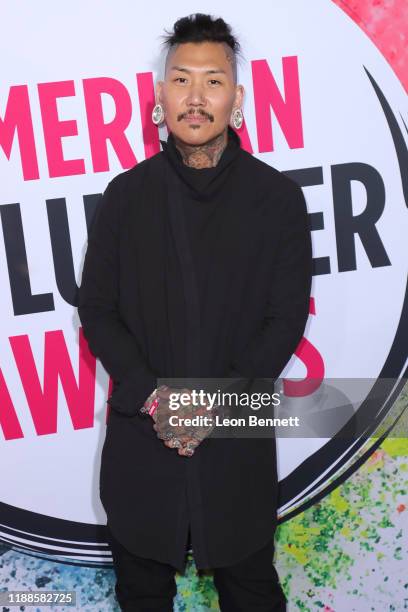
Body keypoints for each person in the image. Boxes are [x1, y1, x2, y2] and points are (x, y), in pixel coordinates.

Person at [78, 12, 313, 611]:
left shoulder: (278, 200)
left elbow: (283, 321)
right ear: (160, 96)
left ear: (236, 97)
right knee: (142, 595)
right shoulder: (125, 197)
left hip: (238, 439)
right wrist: (160, 400)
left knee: (252, 591)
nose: (196, 97)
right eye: (181, 80)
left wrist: (213, 404)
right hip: (142, 441)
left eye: (213, 81)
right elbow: (97, 310)